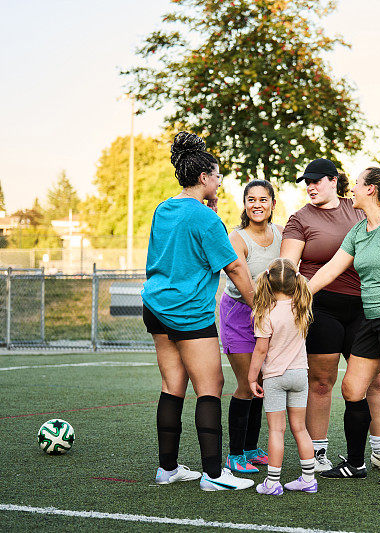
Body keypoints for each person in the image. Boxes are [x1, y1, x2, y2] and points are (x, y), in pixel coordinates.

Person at [143, 131, 255, 491]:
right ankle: (214, 475)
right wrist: (260, 307)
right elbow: (235, 268)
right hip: (187, 312)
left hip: (156, 307)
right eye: (218, 175)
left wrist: (211, 216)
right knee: (211, 385)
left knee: (172, 383)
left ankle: (167, 469)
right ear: (204, 177)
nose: (220, 181)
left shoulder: (164, 208)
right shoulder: (206, 219)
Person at [308, 167, 380, 485]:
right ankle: (357, 463)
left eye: (358, 183)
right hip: (371, 319)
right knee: (351, 388)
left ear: (371, 190)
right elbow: (332, 268)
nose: (353, 188)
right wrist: (301, 295)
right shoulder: (359, 231)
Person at [281, 158, 380, 472]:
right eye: (307, 182)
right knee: (321, 382)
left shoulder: (357, 209)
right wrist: (291, 285)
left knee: (375, 381)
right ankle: (318, 454)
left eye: (317, 180)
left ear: (334, 181)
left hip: (364, 307)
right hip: (322, 307)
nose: (311, 187)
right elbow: (288, 264)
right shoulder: (300, 219)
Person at [219, 179, 282, 473]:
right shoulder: (237, 238)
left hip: (268, 316)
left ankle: (251, 448)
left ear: (272, 203)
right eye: (251, 199)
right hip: (240, 315)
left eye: (263, 199)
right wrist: (262, 309)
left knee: (262, 385)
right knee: (247, 384)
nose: (257, 205)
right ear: (245, 204)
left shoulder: (281, 235)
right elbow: (240, 279)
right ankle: (234, 455)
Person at [248, 258, 318, 495]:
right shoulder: (302, 308)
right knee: (300, 429)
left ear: (267, 281)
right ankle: (308, 479)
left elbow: (261, 349)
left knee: (276, 430)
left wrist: (251, 378)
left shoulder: (265, 313)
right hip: (300, 375)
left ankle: (272, 482)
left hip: (275, 378)